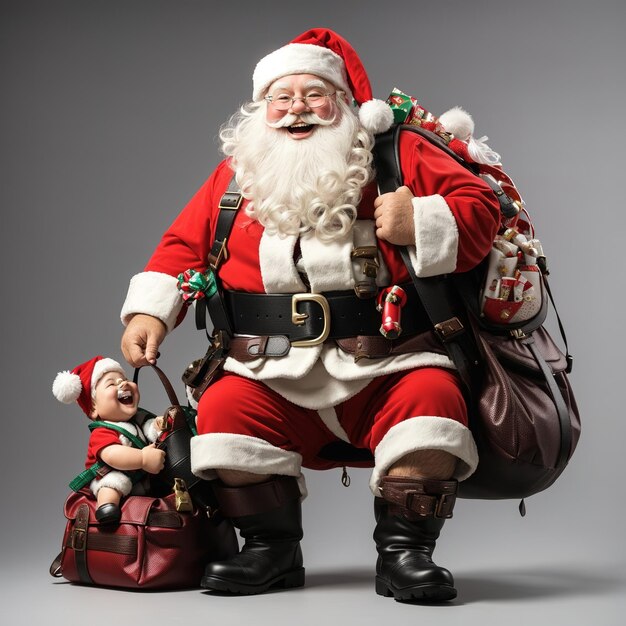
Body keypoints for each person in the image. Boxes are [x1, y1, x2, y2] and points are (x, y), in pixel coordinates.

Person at [120, 28, 500, 602]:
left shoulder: (401, 153)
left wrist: (420, 220)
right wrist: (150, 314)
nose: (296, 108)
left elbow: (480, 208)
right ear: (262, 109)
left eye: (313, 94)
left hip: (389, 361)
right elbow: (183, 247)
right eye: (281, 97)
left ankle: (404, 554)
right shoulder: (237, 176)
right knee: (222, 411)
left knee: (431, 402)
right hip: (265, 367)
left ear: (345, 104)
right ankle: (270, 552)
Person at [53, 356, 166, 524]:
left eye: (125, 379)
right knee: (111, 485)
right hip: (110, 472)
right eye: (111, 384)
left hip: (139, 476)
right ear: (93, 407)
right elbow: (112, 454)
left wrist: (159, 425)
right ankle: (106, 507)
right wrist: (143, 459)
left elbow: (150, 431)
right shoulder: (103, 431)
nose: (123, 384)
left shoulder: (138, 420)